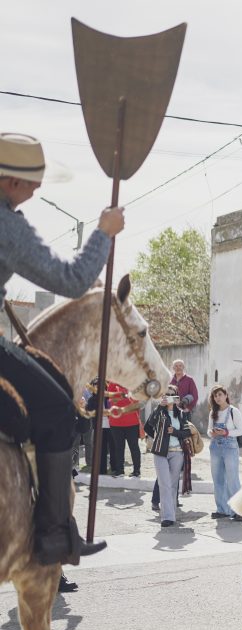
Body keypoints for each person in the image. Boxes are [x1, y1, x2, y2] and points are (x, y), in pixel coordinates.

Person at [0, 132, 124, 564]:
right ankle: (53, 535)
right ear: (11, 181)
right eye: (31, 181)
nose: (36, 189)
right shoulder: (6, 223)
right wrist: (103, 235)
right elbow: (70, 280)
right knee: (57, 405)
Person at [144, 386, 190, 527]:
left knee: (173, 484)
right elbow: (148, 426)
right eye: (167, 394)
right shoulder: (159, 412)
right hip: (160, 452)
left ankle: (171, 513)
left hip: (177, 453)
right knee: (164, 483)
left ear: (176, 397)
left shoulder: (181, 414)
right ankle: (167, 517)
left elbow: (187, 433)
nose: (169, 397)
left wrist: (174, 432)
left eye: (172, 394)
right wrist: (159, 407)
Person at [207, 385, 242, 522]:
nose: (218, 398)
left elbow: (241, 430)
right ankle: (222, 510)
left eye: (220, 395)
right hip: (215, 447)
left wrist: (227, 433)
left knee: (232, 479)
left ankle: (238, 511)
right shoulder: (213, 413)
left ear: (225, 395)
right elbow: (208, 430)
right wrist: (212, 433)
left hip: (230, 447)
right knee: (218, 479)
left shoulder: (234, 411)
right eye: (215, 396)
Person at [170, 359, 198, 496]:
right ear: (173, 368)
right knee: (174, 437)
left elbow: (195, 396)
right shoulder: (170, 381)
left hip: (185, 414)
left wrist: (188, 409)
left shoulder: (190, 380)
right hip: (172, 415)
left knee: (185, 438)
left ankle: (183, 464)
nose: (178, 368)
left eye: (180, 366)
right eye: (176, 366)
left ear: (184, 367)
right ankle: (175, 461)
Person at [107, 381, 142, 477]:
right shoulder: (112, 384)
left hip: (132, 422)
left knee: (134, 447)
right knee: (118, 448)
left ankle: (137, 471)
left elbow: (135, 402)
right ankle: (119, 470)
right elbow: (113, 400)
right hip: (116, 423)